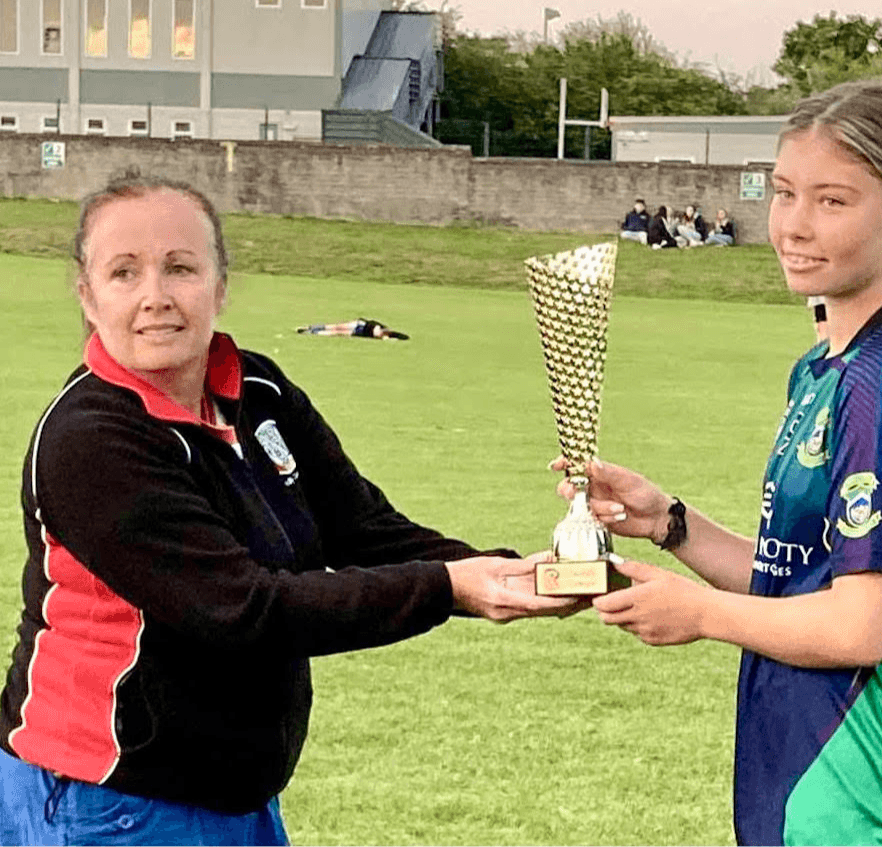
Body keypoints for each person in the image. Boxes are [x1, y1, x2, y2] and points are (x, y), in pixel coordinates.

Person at [0, 176, 578, 846]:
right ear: (88, 295)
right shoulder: (91, 439)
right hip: (110, 800)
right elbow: (243, 610)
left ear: (220, 285)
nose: (156, 295)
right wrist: (451, 588)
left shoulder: (257, 387)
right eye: (123, 272)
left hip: (234, 793)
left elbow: (361, 526)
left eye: (181, 267)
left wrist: (506, 571)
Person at [554, 79, 882, 846]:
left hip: (872, 796)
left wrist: (697, 614)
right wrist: (671, 523)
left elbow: (859, 627)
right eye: (783, 192)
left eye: (832, 201)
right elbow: (798, 576)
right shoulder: (828, 366)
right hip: (812, 771)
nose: (794, 225)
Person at [296, 317, 408, 340]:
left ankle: (311, 331)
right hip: (358, 326)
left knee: (335, 331)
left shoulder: (382, 333)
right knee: (335, 328)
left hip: (358, 329)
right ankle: (311, 329)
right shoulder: (381, 331)